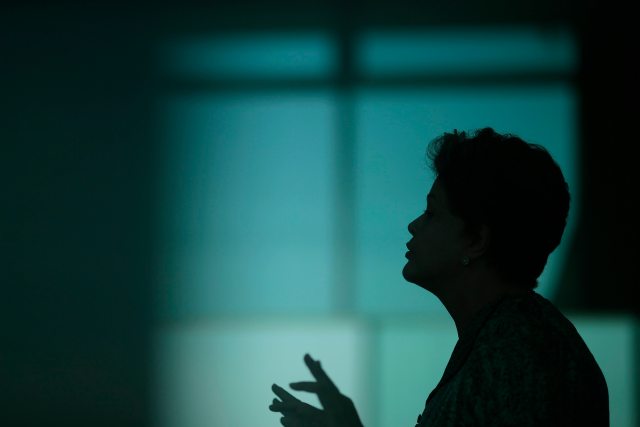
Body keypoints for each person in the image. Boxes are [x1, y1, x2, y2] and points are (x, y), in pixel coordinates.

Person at [268, 127, 609, 426]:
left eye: (432, 213)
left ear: (476, 240)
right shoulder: (510, 338)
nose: (413, 225)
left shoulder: (521, 351)